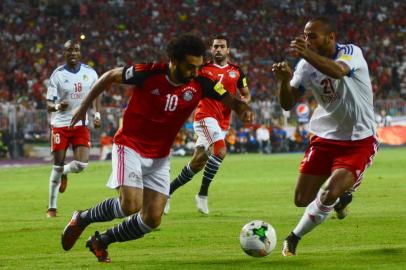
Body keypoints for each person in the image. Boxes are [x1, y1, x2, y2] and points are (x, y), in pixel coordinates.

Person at [61, 33, 253, 263]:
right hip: (129, 145)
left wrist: (243, 111)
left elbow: (232, 101)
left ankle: (101, 241)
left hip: (161, 155)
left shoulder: (202, 82)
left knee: (152, 219)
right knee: (131, 204)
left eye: (199, 67)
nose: (195, 72)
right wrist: (84, 107)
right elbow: (111, 75)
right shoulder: (148, 72)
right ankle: (82, 218)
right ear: (174, 60)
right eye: (190, 67)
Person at [272, 16, 378, 256]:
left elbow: (339, 71)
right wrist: (282, 82)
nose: (306, 39)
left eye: (312, 36)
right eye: (305, 35)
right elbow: (288, 103)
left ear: (330, 38)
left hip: (359, 139)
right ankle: (344, 196)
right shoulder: (305, 66)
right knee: (302, 199)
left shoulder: (351, 52)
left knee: (329, 192)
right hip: (326, 136)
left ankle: (293, 238)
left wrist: (306, 54)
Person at [165, 35, 250, 215]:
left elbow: (246, 93)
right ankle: (203, 195)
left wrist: (244, 101)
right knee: (220, 151)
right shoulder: (202, 69)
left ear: (228, 50)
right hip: (205, 116)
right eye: (215, 47)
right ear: (211, 50)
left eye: (222, 47)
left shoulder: (237, 71)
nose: (218, 49)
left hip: (223, 122)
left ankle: (167, 192)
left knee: (196, 164)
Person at [46, 40, 101, 218]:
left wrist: (97, 114)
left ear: (80, 53)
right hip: (61, 125)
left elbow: (96, 94)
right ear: (65, 53)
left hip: (80, 124)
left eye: (76, 50)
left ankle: (64, 173)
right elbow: (48, 104)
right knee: (57, 163)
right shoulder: (57, 75)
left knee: (82, 164)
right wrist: (56, 107)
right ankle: (52, 208)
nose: (73, 53)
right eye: (69, 50)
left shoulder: (90, 73)